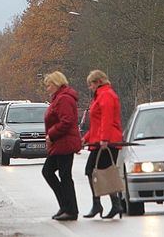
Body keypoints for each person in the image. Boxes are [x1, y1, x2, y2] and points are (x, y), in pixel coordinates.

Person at [81, 69, 123, 219]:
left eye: (90, 84)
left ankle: (101, 203)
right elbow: (97, 123)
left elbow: (107, 118)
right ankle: (113, 203)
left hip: (107, 141)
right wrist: (86, 137)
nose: (89, 87)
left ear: (98, 82)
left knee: (94, 171)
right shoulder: (101, 95)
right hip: (101, 139)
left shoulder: (105, 95)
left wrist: (104, 139)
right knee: (103, 172)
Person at [42, 71, 82, 221]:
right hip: (59, 143)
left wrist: (51, 134)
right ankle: (66, 206)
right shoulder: (59, 98)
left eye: (49, 85)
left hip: (63, 142)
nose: (47, 88)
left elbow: (66, 121)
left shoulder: (63, 98)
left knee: (63, 176)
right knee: (51, 172)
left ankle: (70, 209)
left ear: (56, 83)